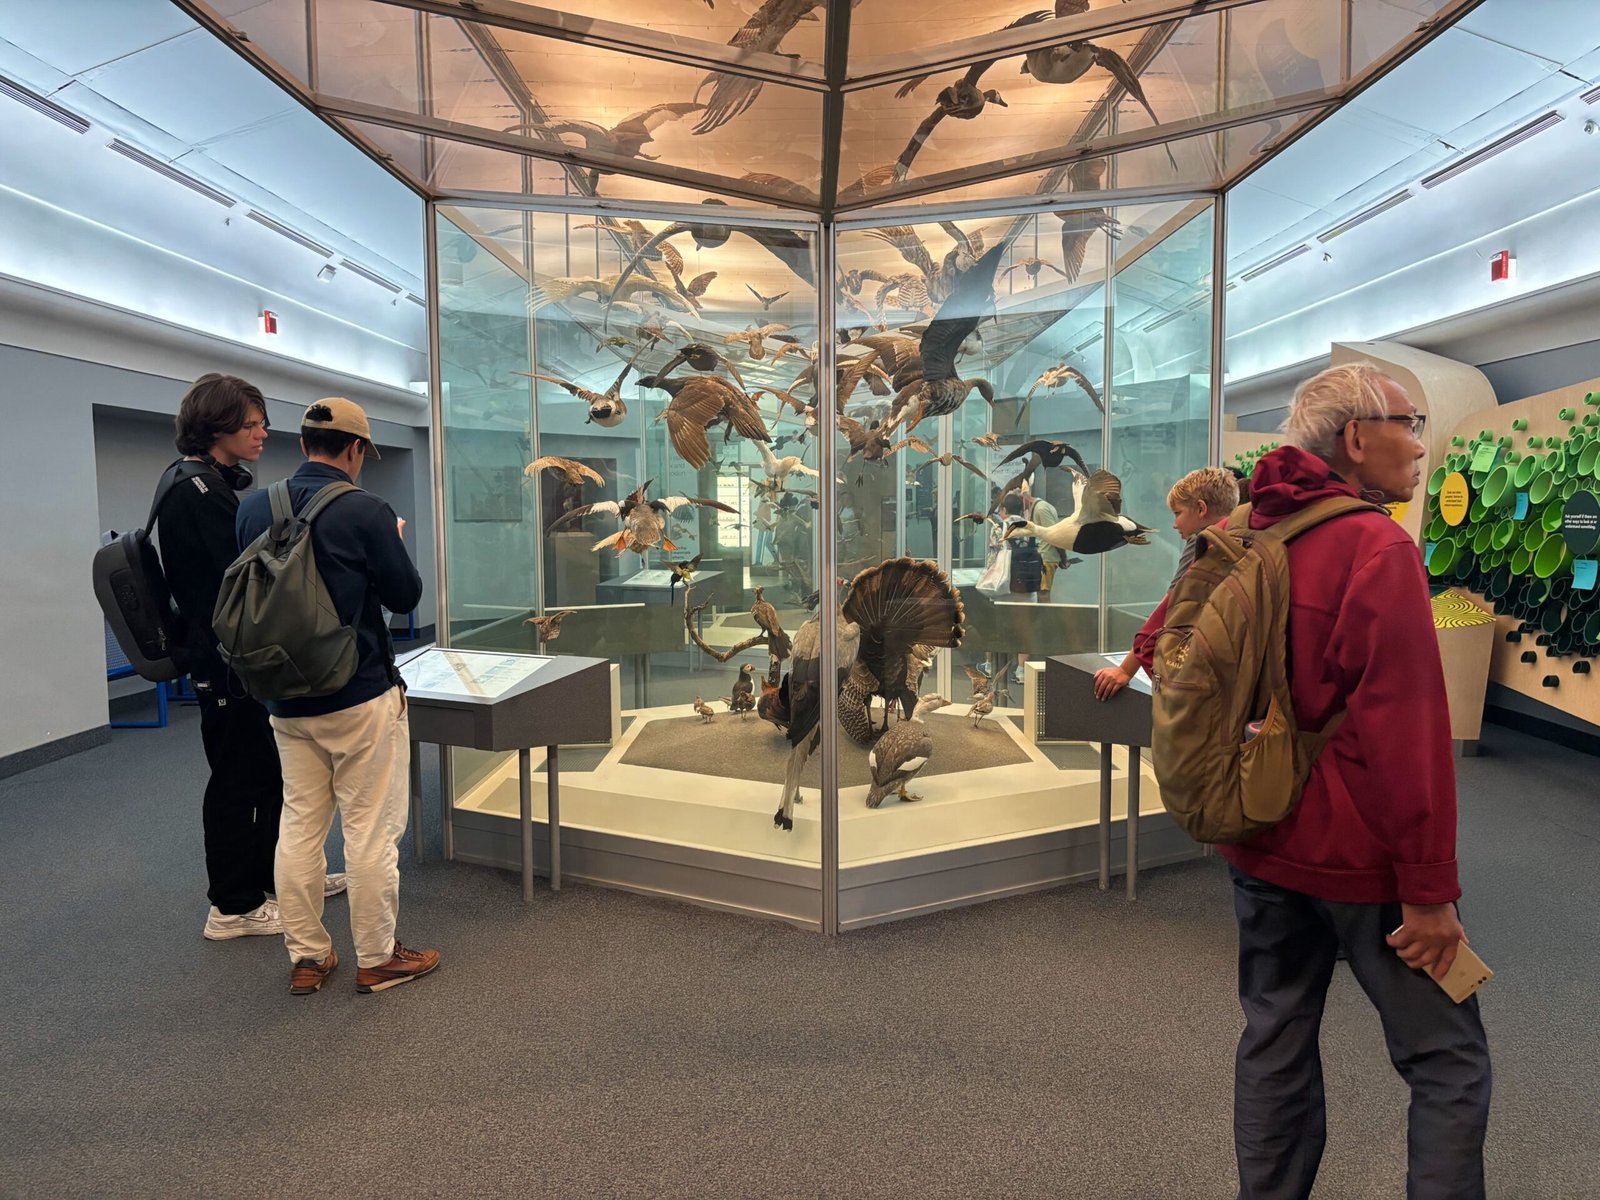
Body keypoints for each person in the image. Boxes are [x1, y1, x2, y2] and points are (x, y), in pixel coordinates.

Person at [1196, 364, 1491, 1198]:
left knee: (1274, 1037)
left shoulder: (1245, 529)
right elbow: (1408, 733)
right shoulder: (1376, 545)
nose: (1423, 443)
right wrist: (1430, 891)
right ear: (1357, 438)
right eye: (1411, 421)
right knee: (1448, 1060)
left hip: (1256, 835)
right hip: (1363, 860)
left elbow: (1178, 656)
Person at [236, 398, 435, 997]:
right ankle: (376, 958)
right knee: (370, 831)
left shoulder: (250, 510)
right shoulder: (367, 510)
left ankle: (309, 956)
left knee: (298, 825)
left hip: (283, 697)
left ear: (302, 446)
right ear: (356, 450)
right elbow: (404, 597)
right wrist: (391, 539)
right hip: (358, 693)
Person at [156, 374, 343, 941]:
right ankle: (232, 907)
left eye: (262, 423)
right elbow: (240, 579)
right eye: (251, 425)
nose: (262, 433)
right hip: (224, 662)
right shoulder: (198, 493)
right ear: (217, 427)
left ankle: (271, 882)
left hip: (227, 658)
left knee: (262, 774)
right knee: (237, 780)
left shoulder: (199, 483)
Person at [1093, 466, 1240, 701]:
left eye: (1178, 513)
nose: (1174, 524)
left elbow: (1173, 605)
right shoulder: (1242, 537)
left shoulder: (1202, 542)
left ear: (1201, 509)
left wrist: (1125, 669)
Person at [1001, 491, 1043, 683]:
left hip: (1007, 584)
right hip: (1028, 584)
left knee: (1001, 624)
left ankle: (994, 664)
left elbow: (994, 551)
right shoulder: (1030, 525)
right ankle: (1021, 670)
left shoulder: (1000, 526)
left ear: (1004, 510)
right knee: (1025, 627)